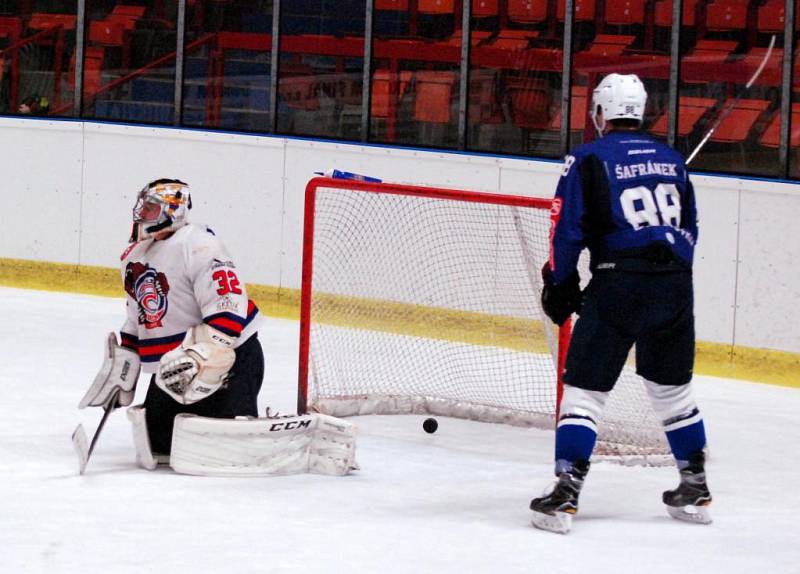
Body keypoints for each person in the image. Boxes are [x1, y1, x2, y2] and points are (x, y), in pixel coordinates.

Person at [530, 74, 711, 533]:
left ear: (599, 112)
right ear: (641, 110)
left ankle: (565, 493)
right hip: (675, 284)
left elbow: (565, 227)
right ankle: (695, 486)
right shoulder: (672, 159)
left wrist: (560, 281)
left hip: (619, 285)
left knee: (585, 392)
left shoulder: (587, 158)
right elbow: (690, 225)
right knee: (672, 390)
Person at [83, 178, 264, 463]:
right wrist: (124, 366)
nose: (141, 213)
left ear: (173, 210)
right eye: (143, 206)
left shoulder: (199, 244)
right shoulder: (134, 255)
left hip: (230, 357)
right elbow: (137, 315)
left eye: (151, 208)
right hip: (173, 367)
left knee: (226, 445)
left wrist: (206, 356)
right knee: (161, 443)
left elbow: (227, 303)